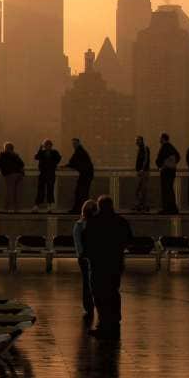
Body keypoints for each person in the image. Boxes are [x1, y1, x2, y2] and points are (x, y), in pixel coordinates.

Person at [82, 195, 134, 340]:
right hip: (115, 262)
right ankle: (115, 319)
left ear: (99, 206)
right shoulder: (121, 221)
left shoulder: (93, 221)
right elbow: (129, 240)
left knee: (99, 292)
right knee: (113, 291)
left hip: (98, 263)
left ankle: (103, 322)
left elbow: (86, 240)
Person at [72, 200, 98, 320]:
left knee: (87, 283)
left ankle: (89, 307)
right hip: (90, 256)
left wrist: (81, 255)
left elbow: (78, 243)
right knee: (92, 283)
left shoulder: (79, 225)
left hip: (85, 257)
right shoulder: (95, 224)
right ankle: (91, 306)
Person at [65, 138, 95, 215]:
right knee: (82, 193)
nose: (73, 145)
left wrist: (67, 166)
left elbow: (72, 161)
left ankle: (79, 209)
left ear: (78, 143)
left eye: (75, 144)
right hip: (87, 175)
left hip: (85, 175)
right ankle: (84, 209)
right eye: (73, 144)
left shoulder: (79, 151)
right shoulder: (81, 151)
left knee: (80, 192)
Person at [0, 142, 25, 212]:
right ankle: (16, 208)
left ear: (6, 148)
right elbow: (22, 164)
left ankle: (6, 208)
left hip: (10, 174)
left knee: (9, 192)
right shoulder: (15, 155)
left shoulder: (3, 155)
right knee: (16, 192)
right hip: (19, 175)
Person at [33, 140, 61, 212]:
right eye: (46, 145)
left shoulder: (54, 152)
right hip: (45, 173)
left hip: (49, 173)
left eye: (48, 145)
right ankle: (39, 205)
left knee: (49, 190)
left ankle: (48, 206)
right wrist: (40, 149)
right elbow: (36, 157)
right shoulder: (45, 152)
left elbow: (58, 159)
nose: (47, 146)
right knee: (41, 190)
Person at [155, 133, 180, 214]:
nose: (159, 140)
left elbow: (159, 159)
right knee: (170, 190)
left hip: (166, 172)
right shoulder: (171, 147)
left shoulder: (165, 147)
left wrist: (161, 165)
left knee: (166, 190)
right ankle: (173, 208)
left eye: (160, 138)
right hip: (172, 171)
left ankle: (167, 209)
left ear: (163, 139)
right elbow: (178, 156)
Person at [134, 136, 151, 213]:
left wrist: (142, 169)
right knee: (141, 189)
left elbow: (145, 159)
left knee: (141, 189)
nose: (136, 142)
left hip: (143, 172)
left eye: (137, 140)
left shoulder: (144, 148)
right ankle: (142, 205)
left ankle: (142, 205)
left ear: (141, 141)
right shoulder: (142, 149)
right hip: (142, 171)